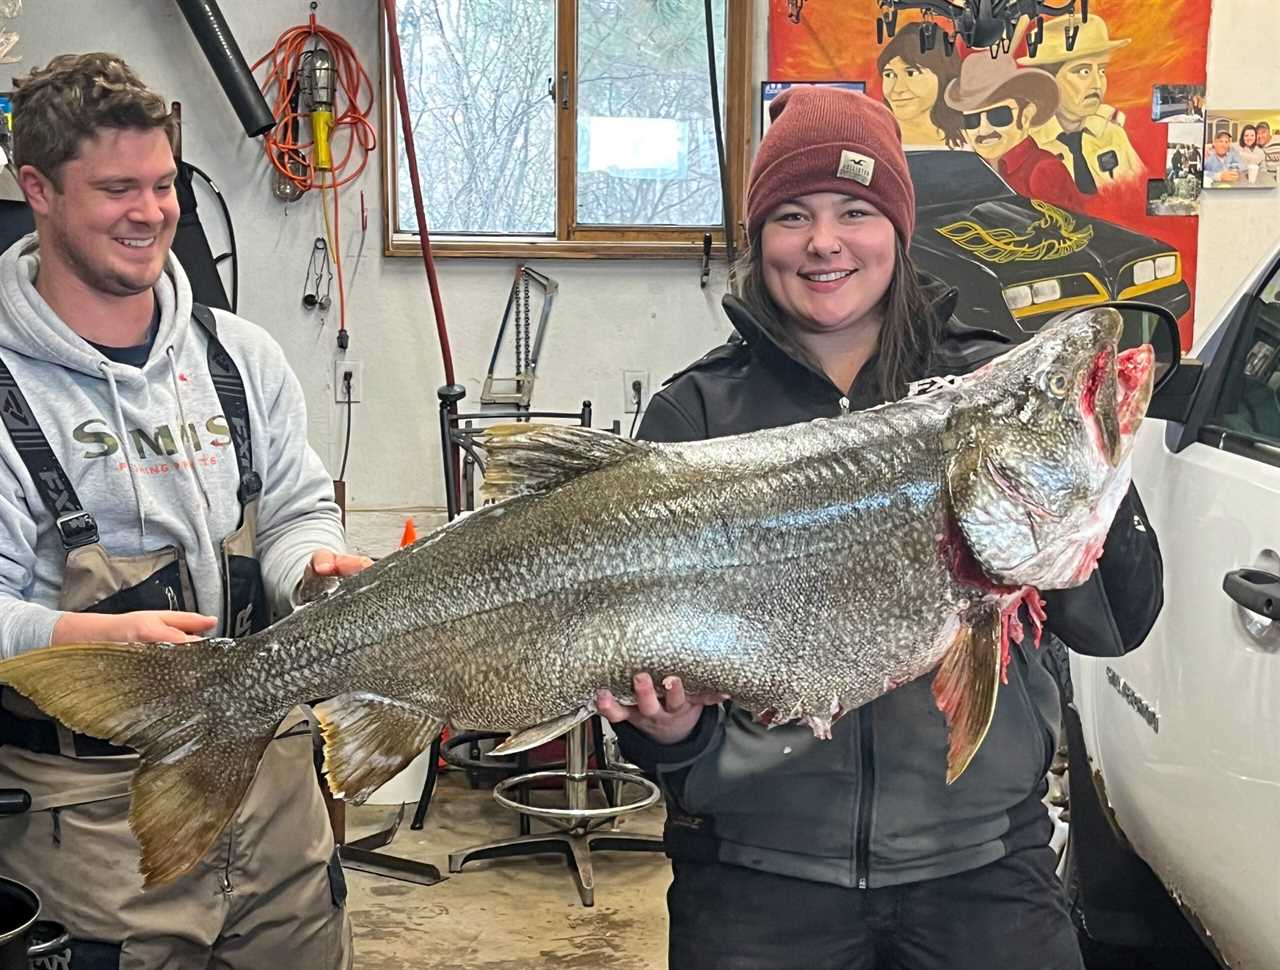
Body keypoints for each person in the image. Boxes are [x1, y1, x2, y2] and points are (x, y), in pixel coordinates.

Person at [597, 85, 1163, 970]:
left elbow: (1120, 622)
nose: (824, 242)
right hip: (755, 882)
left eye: (854, 211)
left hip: (985, 875)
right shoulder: (692, 418)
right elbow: (645, 690)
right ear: (760, 240)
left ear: (897, 227)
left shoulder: (988, 391)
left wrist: (1083, 478)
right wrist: (665, 732)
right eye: (792, 215)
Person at [0, 53, 367, 969]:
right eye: (118, 187)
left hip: (275, 785)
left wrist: (309, 569)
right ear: (35, 188)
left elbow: (294, 511)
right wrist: (80, 639)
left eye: (163, 184)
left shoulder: (240, 358)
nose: (153, 211)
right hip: (93, 820)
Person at [943, 51, 1086, 211]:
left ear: (1026, 115)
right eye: (972, 120)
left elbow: (1065, 232)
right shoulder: (974, 173)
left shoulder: (1043, 170)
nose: (984, 129)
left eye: (998, 115)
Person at [1018, 15, 1145, 194]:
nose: (1097, 83)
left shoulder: (1111, 134)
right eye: (1083, 71)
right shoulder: (1029, 144)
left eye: (1101, 70)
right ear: (1048, 82)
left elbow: (1136, 192)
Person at [876, 23, 965, 148]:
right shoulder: (872, 137)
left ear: (943, 77)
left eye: (911, 73)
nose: (897, 89)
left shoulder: (973, 136)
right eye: (889, 75)